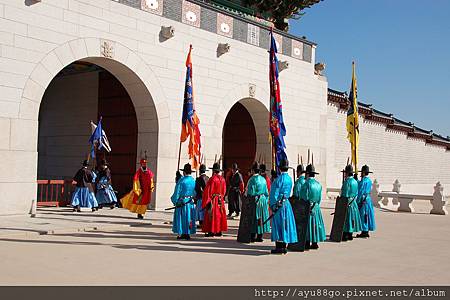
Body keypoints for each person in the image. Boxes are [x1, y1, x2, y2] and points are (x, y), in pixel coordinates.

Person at [269, 159, 297, 254]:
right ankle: (284, 246)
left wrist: (273, 205)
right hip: (286, 203)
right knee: (285, 224)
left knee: (278, 224)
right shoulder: (289, 179)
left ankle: (279, 247)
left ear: (280, 169)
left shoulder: (278, 180)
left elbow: (274, 194)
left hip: (279, 204)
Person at [299, 164, 326, 250]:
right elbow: (319, 198)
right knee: (316, 224)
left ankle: (307, 242)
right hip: (316, 206)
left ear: (307, 174)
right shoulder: (318, 184)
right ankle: (315, 243)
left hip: (308, 206)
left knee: (308, 225)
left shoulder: (306, 184)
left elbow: (303, 197)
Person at [171, 163, 197, 240]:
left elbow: (177, 192)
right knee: (189, 218)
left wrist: (175, 201)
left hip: (182, 202)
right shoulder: (193, 180)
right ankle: (187, 233)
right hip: (190, 201)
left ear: (184, 172)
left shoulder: (181, 180)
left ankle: (182, 233)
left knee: (182, 218)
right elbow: (195, 192)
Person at [246, 162, 270, 242]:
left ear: (253, 170)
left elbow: (250, 192)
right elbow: (266, 192)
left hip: (255, 200)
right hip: (262, 199)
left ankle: (252, 236)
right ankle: (260, 236)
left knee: (254, 217)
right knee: (261, 217)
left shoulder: (251, 180)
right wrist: (265, 200)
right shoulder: (263, 179)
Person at [202, 162, 227, 237]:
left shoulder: (212, 179)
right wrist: (221, 197)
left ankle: (212, 231)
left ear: (213, 171)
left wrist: (206, 201)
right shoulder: (222, 179)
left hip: (213, 199)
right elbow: (224, 190)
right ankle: (219, 231)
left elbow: (207, 191)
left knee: (212, 215)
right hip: (220, 199)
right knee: (220, 215)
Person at [341, 164, 362, 241]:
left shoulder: (347, 182)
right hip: (353, 201)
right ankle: (350, 234)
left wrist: (342, 202)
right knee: (352, 217)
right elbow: (357, 192)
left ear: (346, 173)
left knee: (347, 218)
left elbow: (345, 193)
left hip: (348, 201)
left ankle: (346, 234)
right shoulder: (355, 182)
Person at [356, 165, 376, 238]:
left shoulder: (364, 181)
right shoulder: (369, 180)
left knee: (364, 215)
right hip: (368, 199)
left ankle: (364, 232)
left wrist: (358, 201)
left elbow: (360, 191)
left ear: (363, 172)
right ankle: (366, 231)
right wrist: (357, 181)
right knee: (367, 215)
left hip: (363, 200)